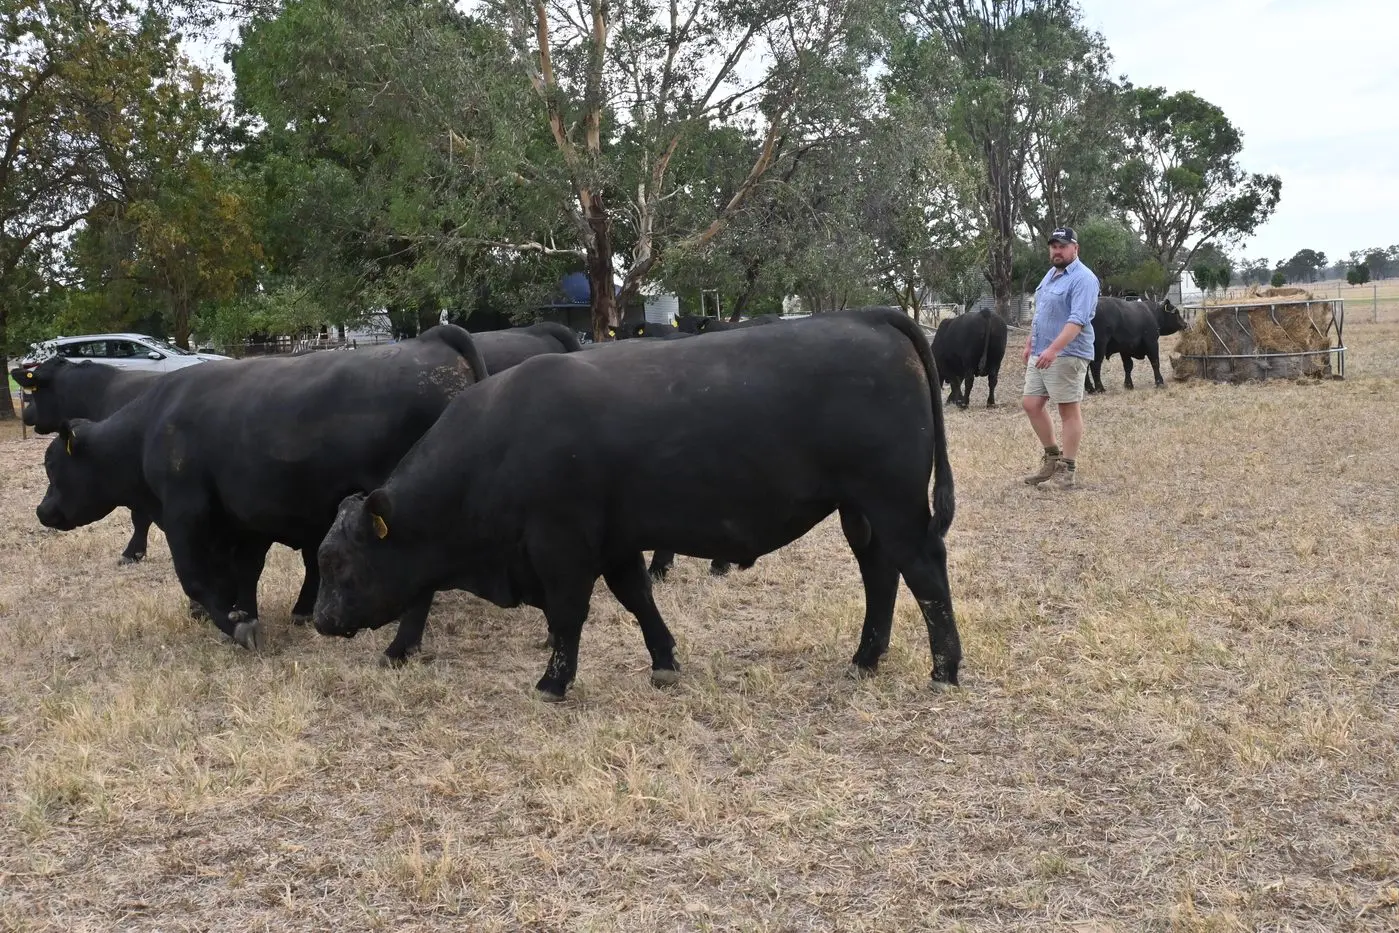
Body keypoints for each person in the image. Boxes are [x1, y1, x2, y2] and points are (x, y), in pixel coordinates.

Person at [1022, 227, 1098, 489]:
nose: (1057, 250)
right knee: (1031, 404)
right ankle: (1052, 458)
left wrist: (1053, 349)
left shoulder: (1084, 279)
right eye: (1053, 246)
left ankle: (1067, 469)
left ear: (1075, 248)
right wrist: (1032, 341)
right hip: (1041, 351)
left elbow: (1077, 320)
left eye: (1062, 246)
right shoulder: (1051, 274)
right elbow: (1043, 310)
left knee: (1068, 410)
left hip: (1067, 353)